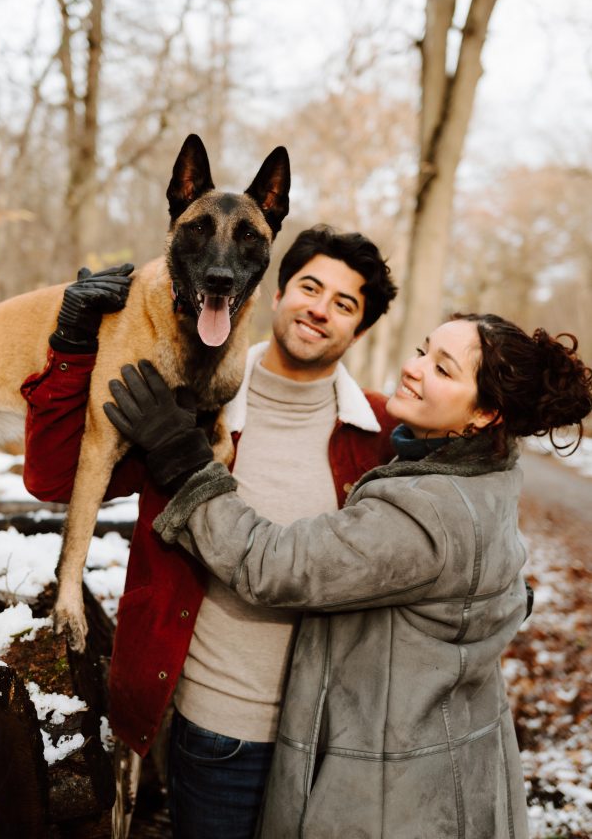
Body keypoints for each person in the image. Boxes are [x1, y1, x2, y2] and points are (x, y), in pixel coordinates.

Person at [102, 313, 592, 839]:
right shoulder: (488, 476)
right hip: (448, 765)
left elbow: (274, 564)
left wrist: (183, 459)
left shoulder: (424, 514)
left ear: (485, 414)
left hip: (391, 795)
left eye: (443, 370)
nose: (414, 368)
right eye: (424, 350)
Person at [21, 225, 399, 839]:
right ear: (273, 293)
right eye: (309, 286)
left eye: (345, 303)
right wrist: (70, 346)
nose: (319, 309)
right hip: (214, 728)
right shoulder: (184, 394)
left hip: (333, 739)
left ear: (359, 328)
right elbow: (53, 476)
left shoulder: (381, 433)